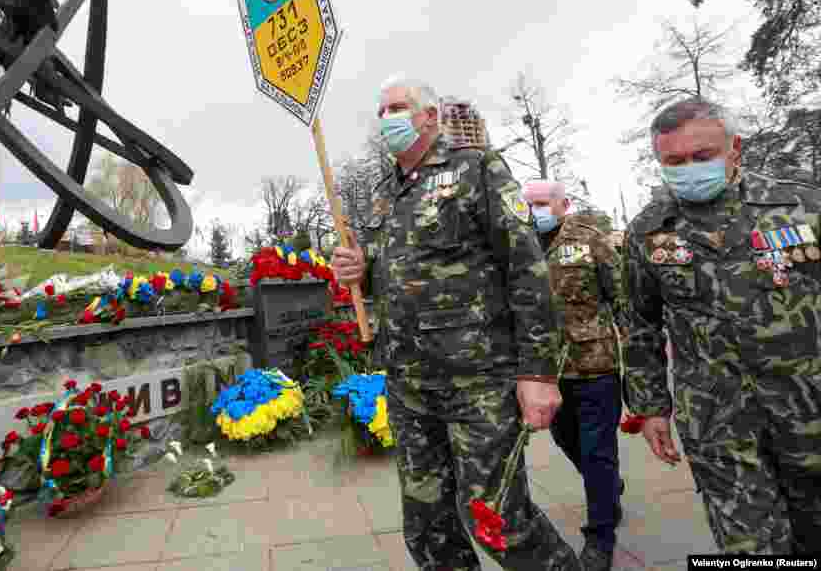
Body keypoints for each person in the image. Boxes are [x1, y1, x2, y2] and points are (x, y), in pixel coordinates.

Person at [331, 76, 581, 571]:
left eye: (398, 107)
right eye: (381, 111)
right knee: (428, 528)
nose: (387, 119)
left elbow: (526, 268)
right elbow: (401, 276)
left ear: (429, 116)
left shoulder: (476, 169)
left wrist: (539, 373)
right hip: (410, 387)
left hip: (478, 384)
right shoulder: (388, 196)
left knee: (498, 523)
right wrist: (365, 272)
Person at [624, 98, 821, 554]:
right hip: (718, 423)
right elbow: (638, 324)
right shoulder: (649, 232)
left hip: (808, 408)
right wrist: (651, 406)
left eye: (702, 156)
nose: (689, 168)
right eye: (673, 161)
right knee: (749, 548)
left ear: (735, 148)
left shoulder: (803, 205)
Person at [522, 181, 626, 571]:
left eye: (542, 203)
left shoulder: (590, 239)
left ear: (563, 204)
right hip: (547, 371)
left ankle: (601, 535)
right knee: (568, 441)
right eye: (528, 204)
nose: (534, 210)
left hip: (594, 363)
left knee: (598, 450)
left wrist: (633, 360)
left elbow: (621, 296)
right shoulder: (520, 244)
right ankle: (608, 490)